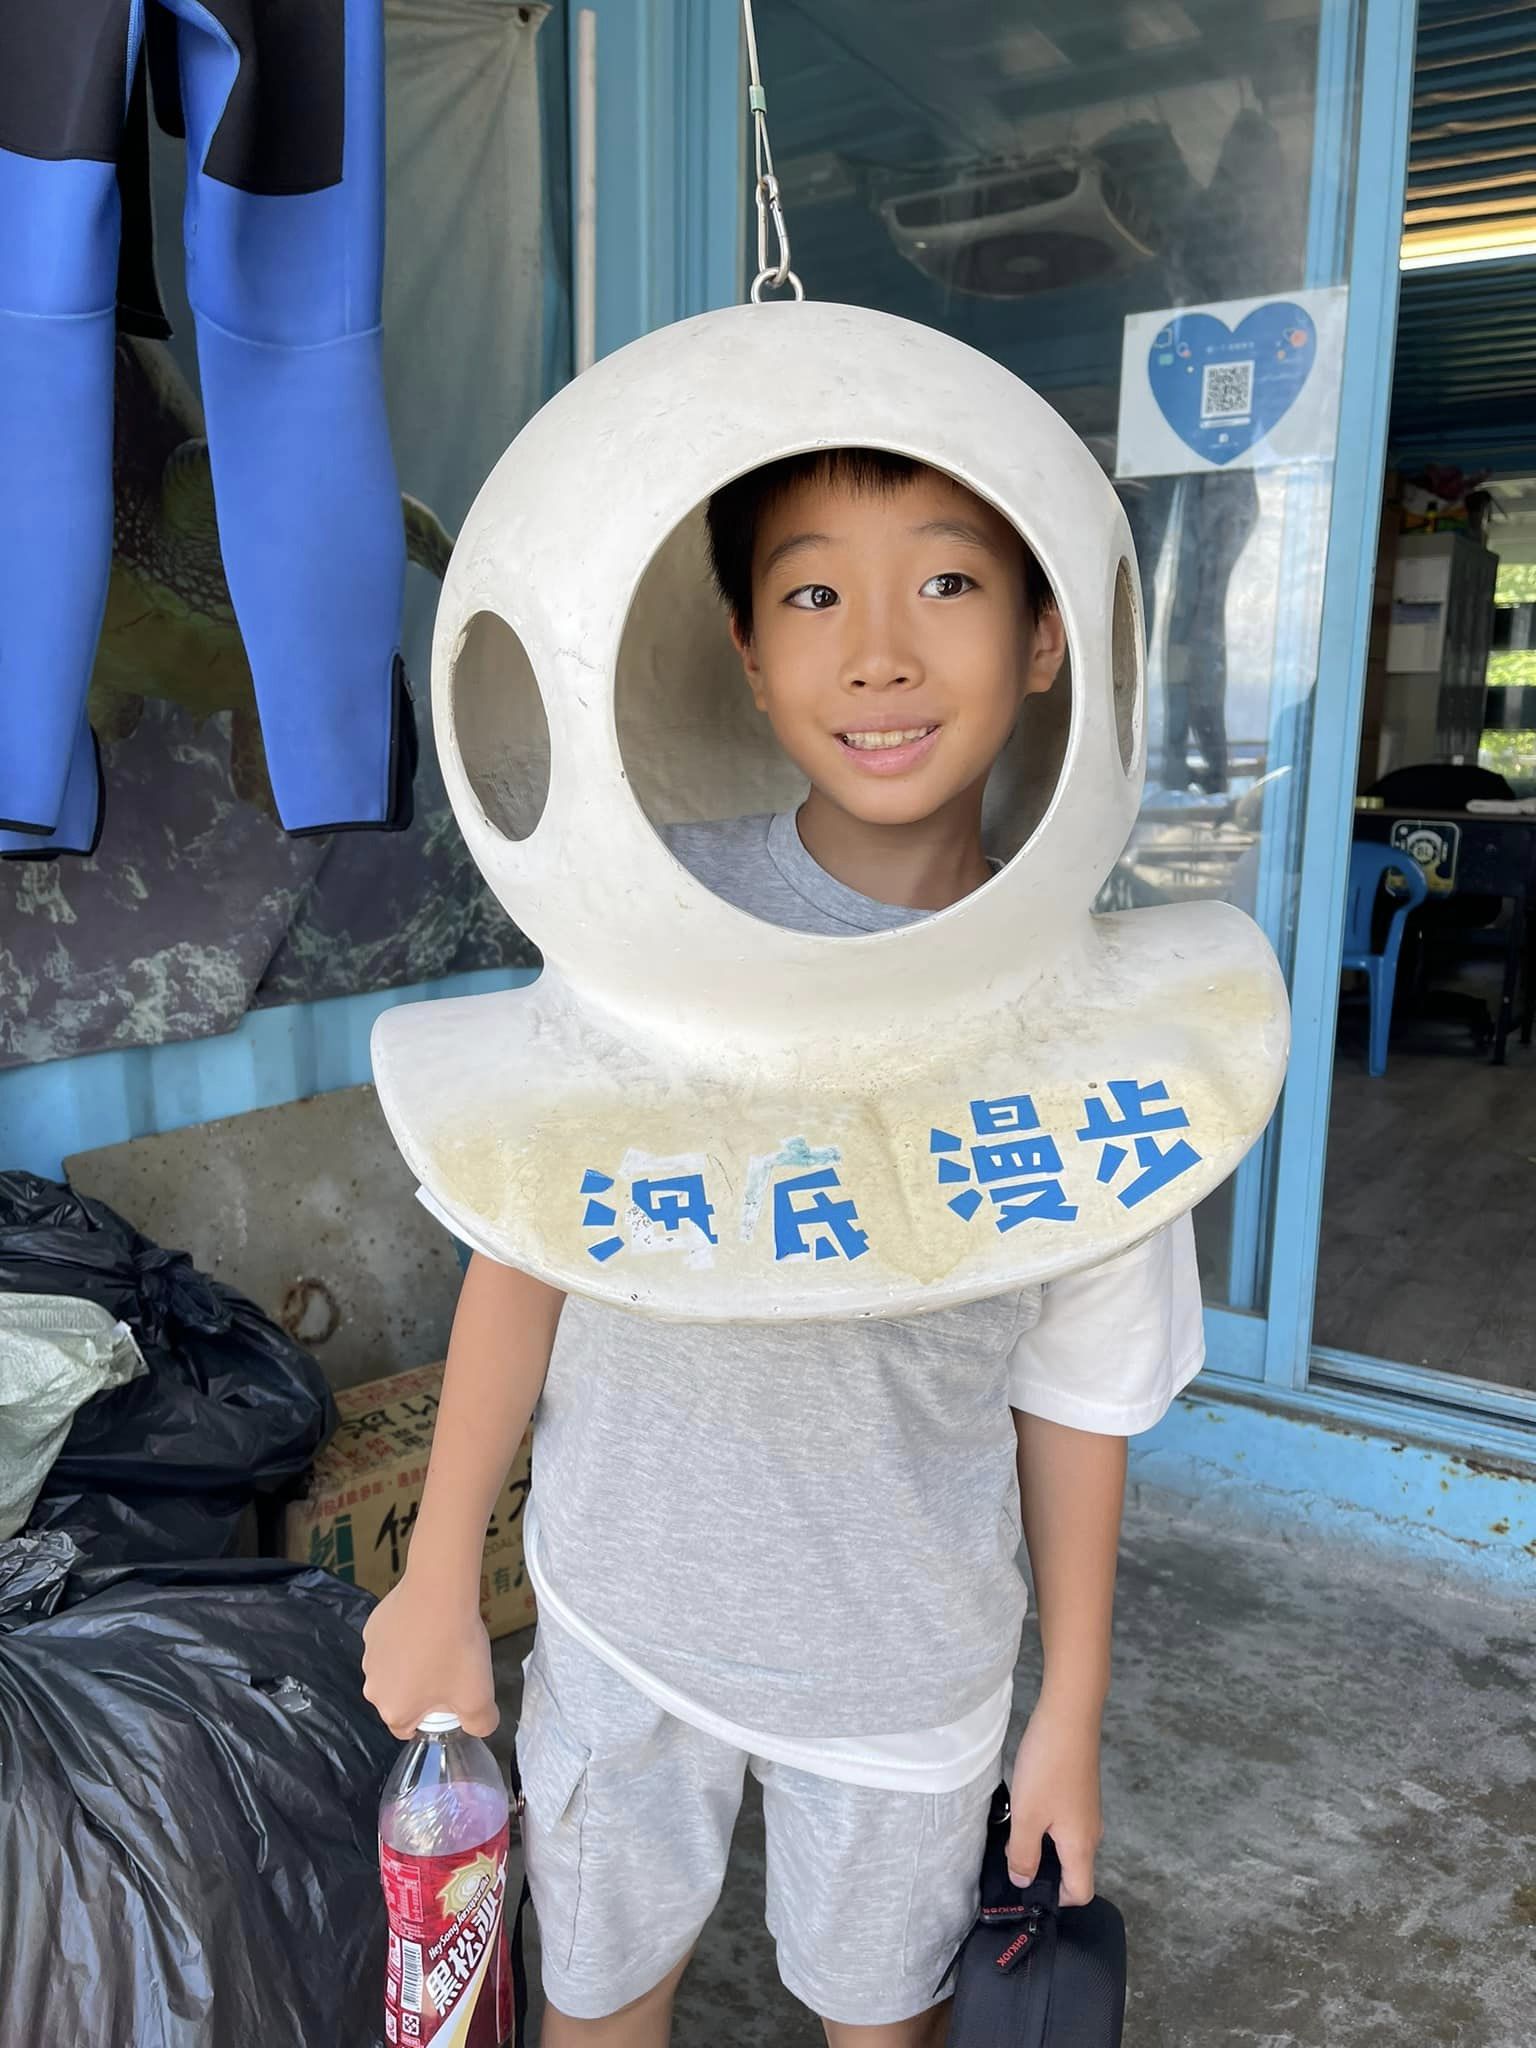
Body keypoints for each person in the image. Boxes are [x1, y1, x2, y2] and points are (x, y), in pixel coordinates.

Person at [362, 448, 1205, 2048]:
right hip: (620, 1622)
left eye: (949, 583)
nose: (878, 651)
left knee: (880, 2025)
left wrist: (1068, 1710)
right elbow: (523, 1255)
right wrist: (434, 1578)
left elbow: (1082, 1396)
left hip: (908, 1671)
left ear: (1045, 638)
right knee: (594, 2011)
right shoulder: (646, 927)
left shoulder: (1097, 1031)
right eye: (813, 592)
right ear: (747, 656)